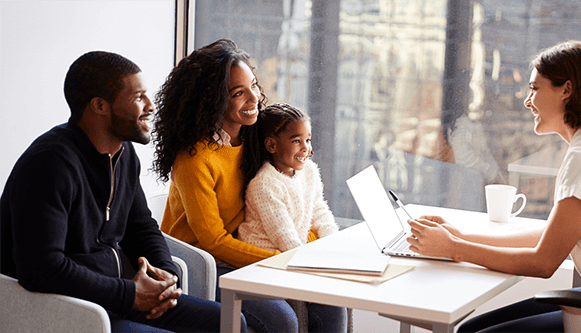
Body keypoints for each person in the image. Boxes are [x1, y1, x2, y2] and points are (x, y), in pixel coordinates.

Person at [407, 40, 581, 332]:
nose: (527, 100)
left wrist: (456, 249)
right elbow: (553, 236)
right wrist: (461, 237)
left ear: (567, 90)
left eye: (535, 89)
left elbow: (543, 263)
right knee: (469, 329)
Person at [0, 51, 244, 332]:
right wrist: (130, 294)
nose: (151, 106)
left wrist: (165, 274)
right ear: (100, 106)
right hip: (67, 306)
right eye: (138, 97)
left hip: (118, 296)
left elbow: (141, 227)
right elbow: (41, 268)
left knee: (230, 321)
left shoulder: (124, 154)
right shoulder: (49, 164)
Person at [153, 39, 307, 333]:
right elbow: (213, 241)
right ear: (212, 101)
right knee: (281, 318)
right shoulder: (195, 158)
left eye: (254, 85)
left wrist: (308, 247)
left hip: (246, 251)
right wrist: (284, 260)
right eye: (239, 93)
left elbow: (291, 190)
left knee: (328, 300)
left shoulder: (254, 137)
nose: (254, 98)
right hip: (204, 265)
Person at [238, 103, 347, 332]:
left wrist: (336, 249)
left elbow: (320, 211)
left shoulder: (309, 171)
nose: (305, 148)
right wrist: (312, 279)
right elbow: (285, 239)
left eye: (308, 140)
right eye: (297, 141)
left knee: (338, 302)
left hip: (296, 253)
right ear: (272, 144)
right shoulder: (264, 185)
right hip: (270, 261)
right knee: (308, 304)